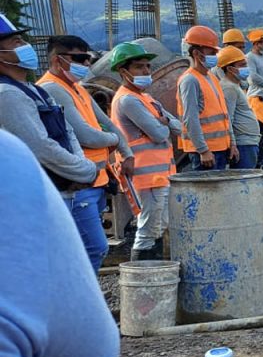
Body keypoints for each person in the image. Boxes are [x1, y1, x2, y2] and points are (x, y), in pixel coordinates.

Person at [0, 129, 120, 357]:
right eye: (138, 71)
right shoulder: (16, 103)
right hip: (74, 184)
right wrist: (87, 168)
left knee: (95, 247)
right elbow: (59, 141)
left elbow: (77, 133)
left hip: (78, 182)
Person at [0, 16, 101, 253]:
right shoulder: (8, 95)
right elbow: (40, 147)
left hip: (62, 188)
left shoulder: (35, 91)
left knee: (82, 250)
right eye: (16, 42)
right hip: (38, 196)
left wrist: (81, 166)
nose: (24, 45)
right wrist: (84, 169)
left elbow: (66, 131)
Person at [38, 35, 134, 272]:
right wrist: (114, 141)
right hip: (77, 184)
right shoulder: (52, 89)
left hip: (96, 181)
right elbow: (87, 136)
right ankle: (78, 301)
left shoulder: (76, 88)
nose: (86, 65)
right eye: (80, 59)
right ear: (57, 60)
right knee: (94, 247)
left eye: (88, 59)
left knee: (87, 246)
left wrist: (125, 151)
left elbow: (108, 123)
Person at [109, 42, 180, 261]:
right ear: (124, 71)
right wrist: (162, 125)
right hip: (144, 175)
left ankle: (155, 268)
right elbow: (160, 134)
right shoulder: (127, 100)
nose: (146, 72)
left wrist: (164, 121)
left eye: (148, 67)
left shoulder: (147, 98)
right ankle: (142, 274)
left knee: (159, 224)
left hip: (159, 174)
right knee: (148, 227)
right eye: (139, 67)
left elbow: (176, 126)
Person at [178, 25, 237, 171]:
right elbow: (190, 119)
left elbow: (224, 114)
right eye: (211, 52)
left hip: (220, 148)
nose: (215, 56)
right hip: (205, 153)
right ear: (197, 53)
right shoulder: (190, 80)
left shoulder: (211, 77)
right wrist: (203, 150)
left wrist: (232, 143)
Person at [217, 46, 262, 169]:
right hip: (243, 144)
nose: (246, 68)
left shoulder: (235, 86)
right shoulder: (229, 88)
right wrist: (233, 144)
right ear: (231, 69)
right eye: (242, 65)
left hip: (248, 142)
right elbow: (228, 119)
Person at [245, 28, 263, 165]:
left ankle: (261, 161)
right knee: (260, 131)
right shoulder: (249, 57)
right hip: (256, 99)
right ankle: (257, 163)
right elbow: (252, 78)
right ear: (256, 43)